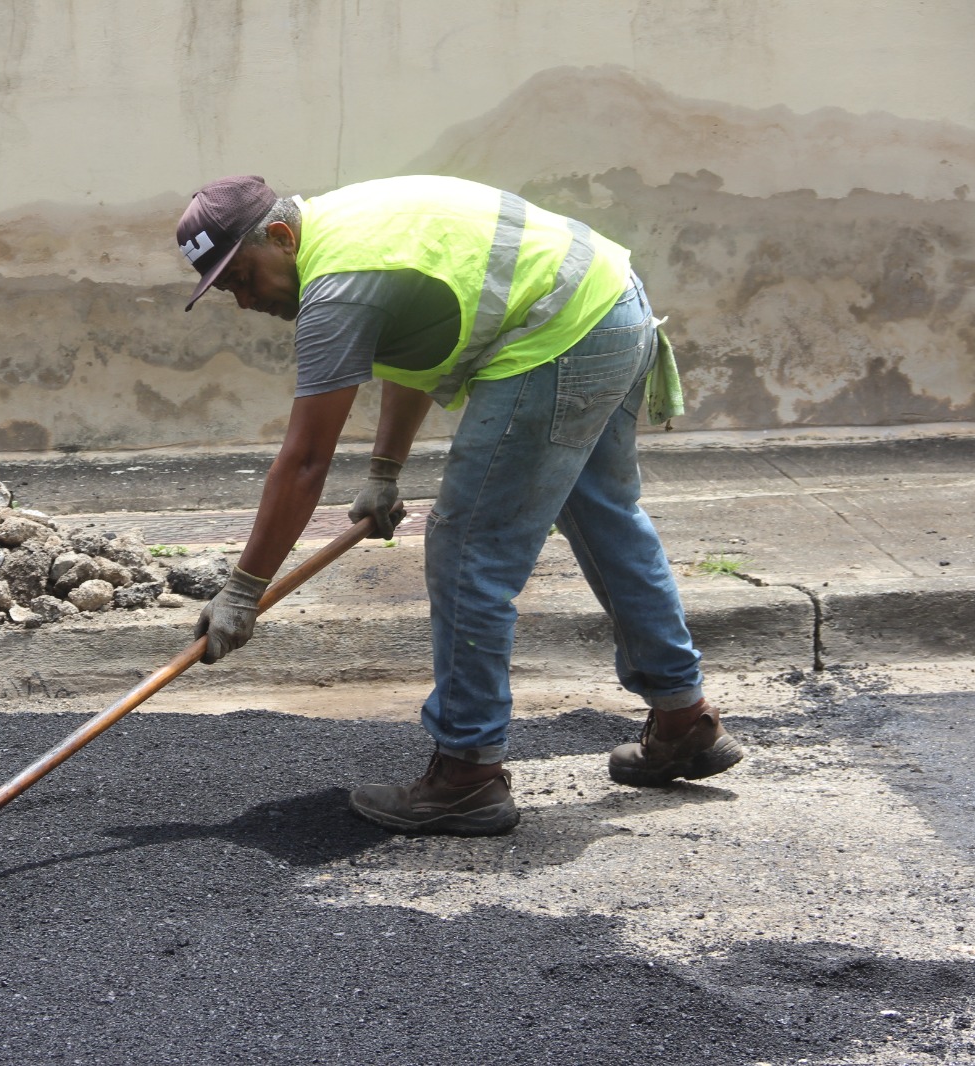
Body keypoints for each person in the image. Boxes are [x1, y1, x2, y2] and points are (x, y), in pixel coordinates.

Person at [175, 173, 744, 836]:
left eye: (242, 278)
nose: (244, 301)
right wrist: (385, 471)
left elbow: (304, 462)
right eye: (227, 291)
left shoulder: (337, 283)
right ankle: (684, 721)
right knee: (603, 519)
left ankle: (466, 776)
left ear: (279, 237)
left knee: (470, 550)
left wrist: (245, 590)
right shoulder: (346, 230)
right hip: (611, 303)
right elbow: (421, 343)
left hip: (559, 334)